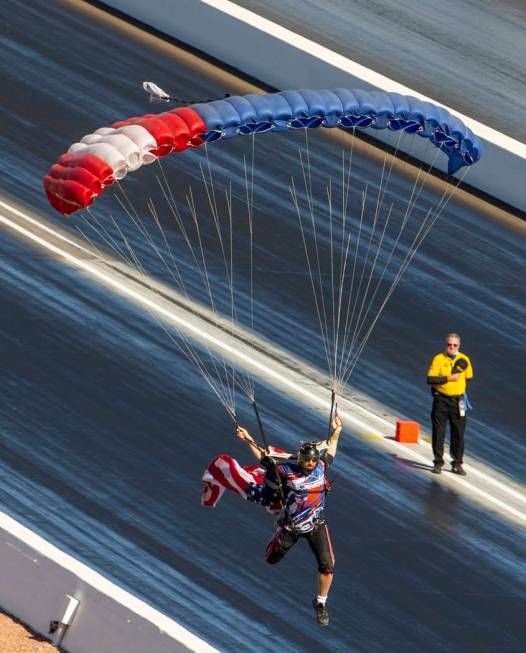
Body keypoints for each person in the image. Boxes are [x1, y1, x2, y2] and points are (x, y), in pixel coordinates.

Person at [235, 412, 343, 627]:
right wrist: (247, 437)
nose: (311, 464)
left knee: (328, 565)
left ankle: (320, 602)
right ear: (301, 460)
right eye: (307, 461)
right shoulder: (286, 470)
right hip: (292, 526)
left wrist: (337, 430)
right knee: (271, 559)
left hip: (316, 525)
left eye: (313, 460)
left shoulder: (322, 467)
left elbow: (331, 447)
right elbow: (264, 458)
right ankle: (278, 530)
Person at [426, 333, 474, 475]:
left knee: (458, 433)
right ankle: (438, 462)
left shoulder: (464, 360)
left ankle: (457, 464)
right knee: (438, 432)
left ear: (459, 346)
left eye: (455, 345)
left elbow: (469, 377)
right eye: (449, 344)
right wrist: (448, 379)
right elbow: (430, 379)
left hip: (457, 401)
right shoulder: (438, 359)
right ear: (445, 344)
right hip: (441, 400)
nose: (452, 347)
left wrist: (458, 389)